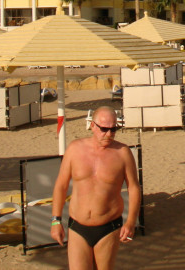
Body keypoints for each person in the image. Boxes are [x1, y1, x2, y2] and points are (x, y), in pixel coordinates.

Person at [51, 106, 140, 270]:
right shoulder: (75, 149)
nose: (109, 134)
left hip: (108, 226)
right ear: (92, 125)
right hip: (78, 226)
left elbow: (134, 188)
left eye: (113, 129)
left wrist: (131, 222)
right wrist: (55, 220)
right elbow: (61, 185)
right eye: (104, 129)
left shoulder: (123, 153)